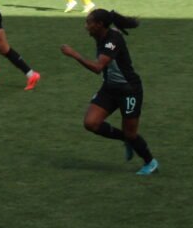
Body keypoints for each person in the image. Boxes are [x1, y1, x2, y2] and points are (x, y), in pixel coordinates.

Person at [60, 9, 159, 175]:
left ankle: (151, 162)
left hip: (129, 90)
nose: (86, 27)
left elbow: (98, 67)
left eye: (89, 23)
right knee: (91, 123)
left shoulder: (112, 40)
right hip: (110, 88)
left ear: (99, 25)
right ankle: (125, 139)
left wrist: (74, 54)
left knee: (131, 133)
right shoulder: (101, 34)